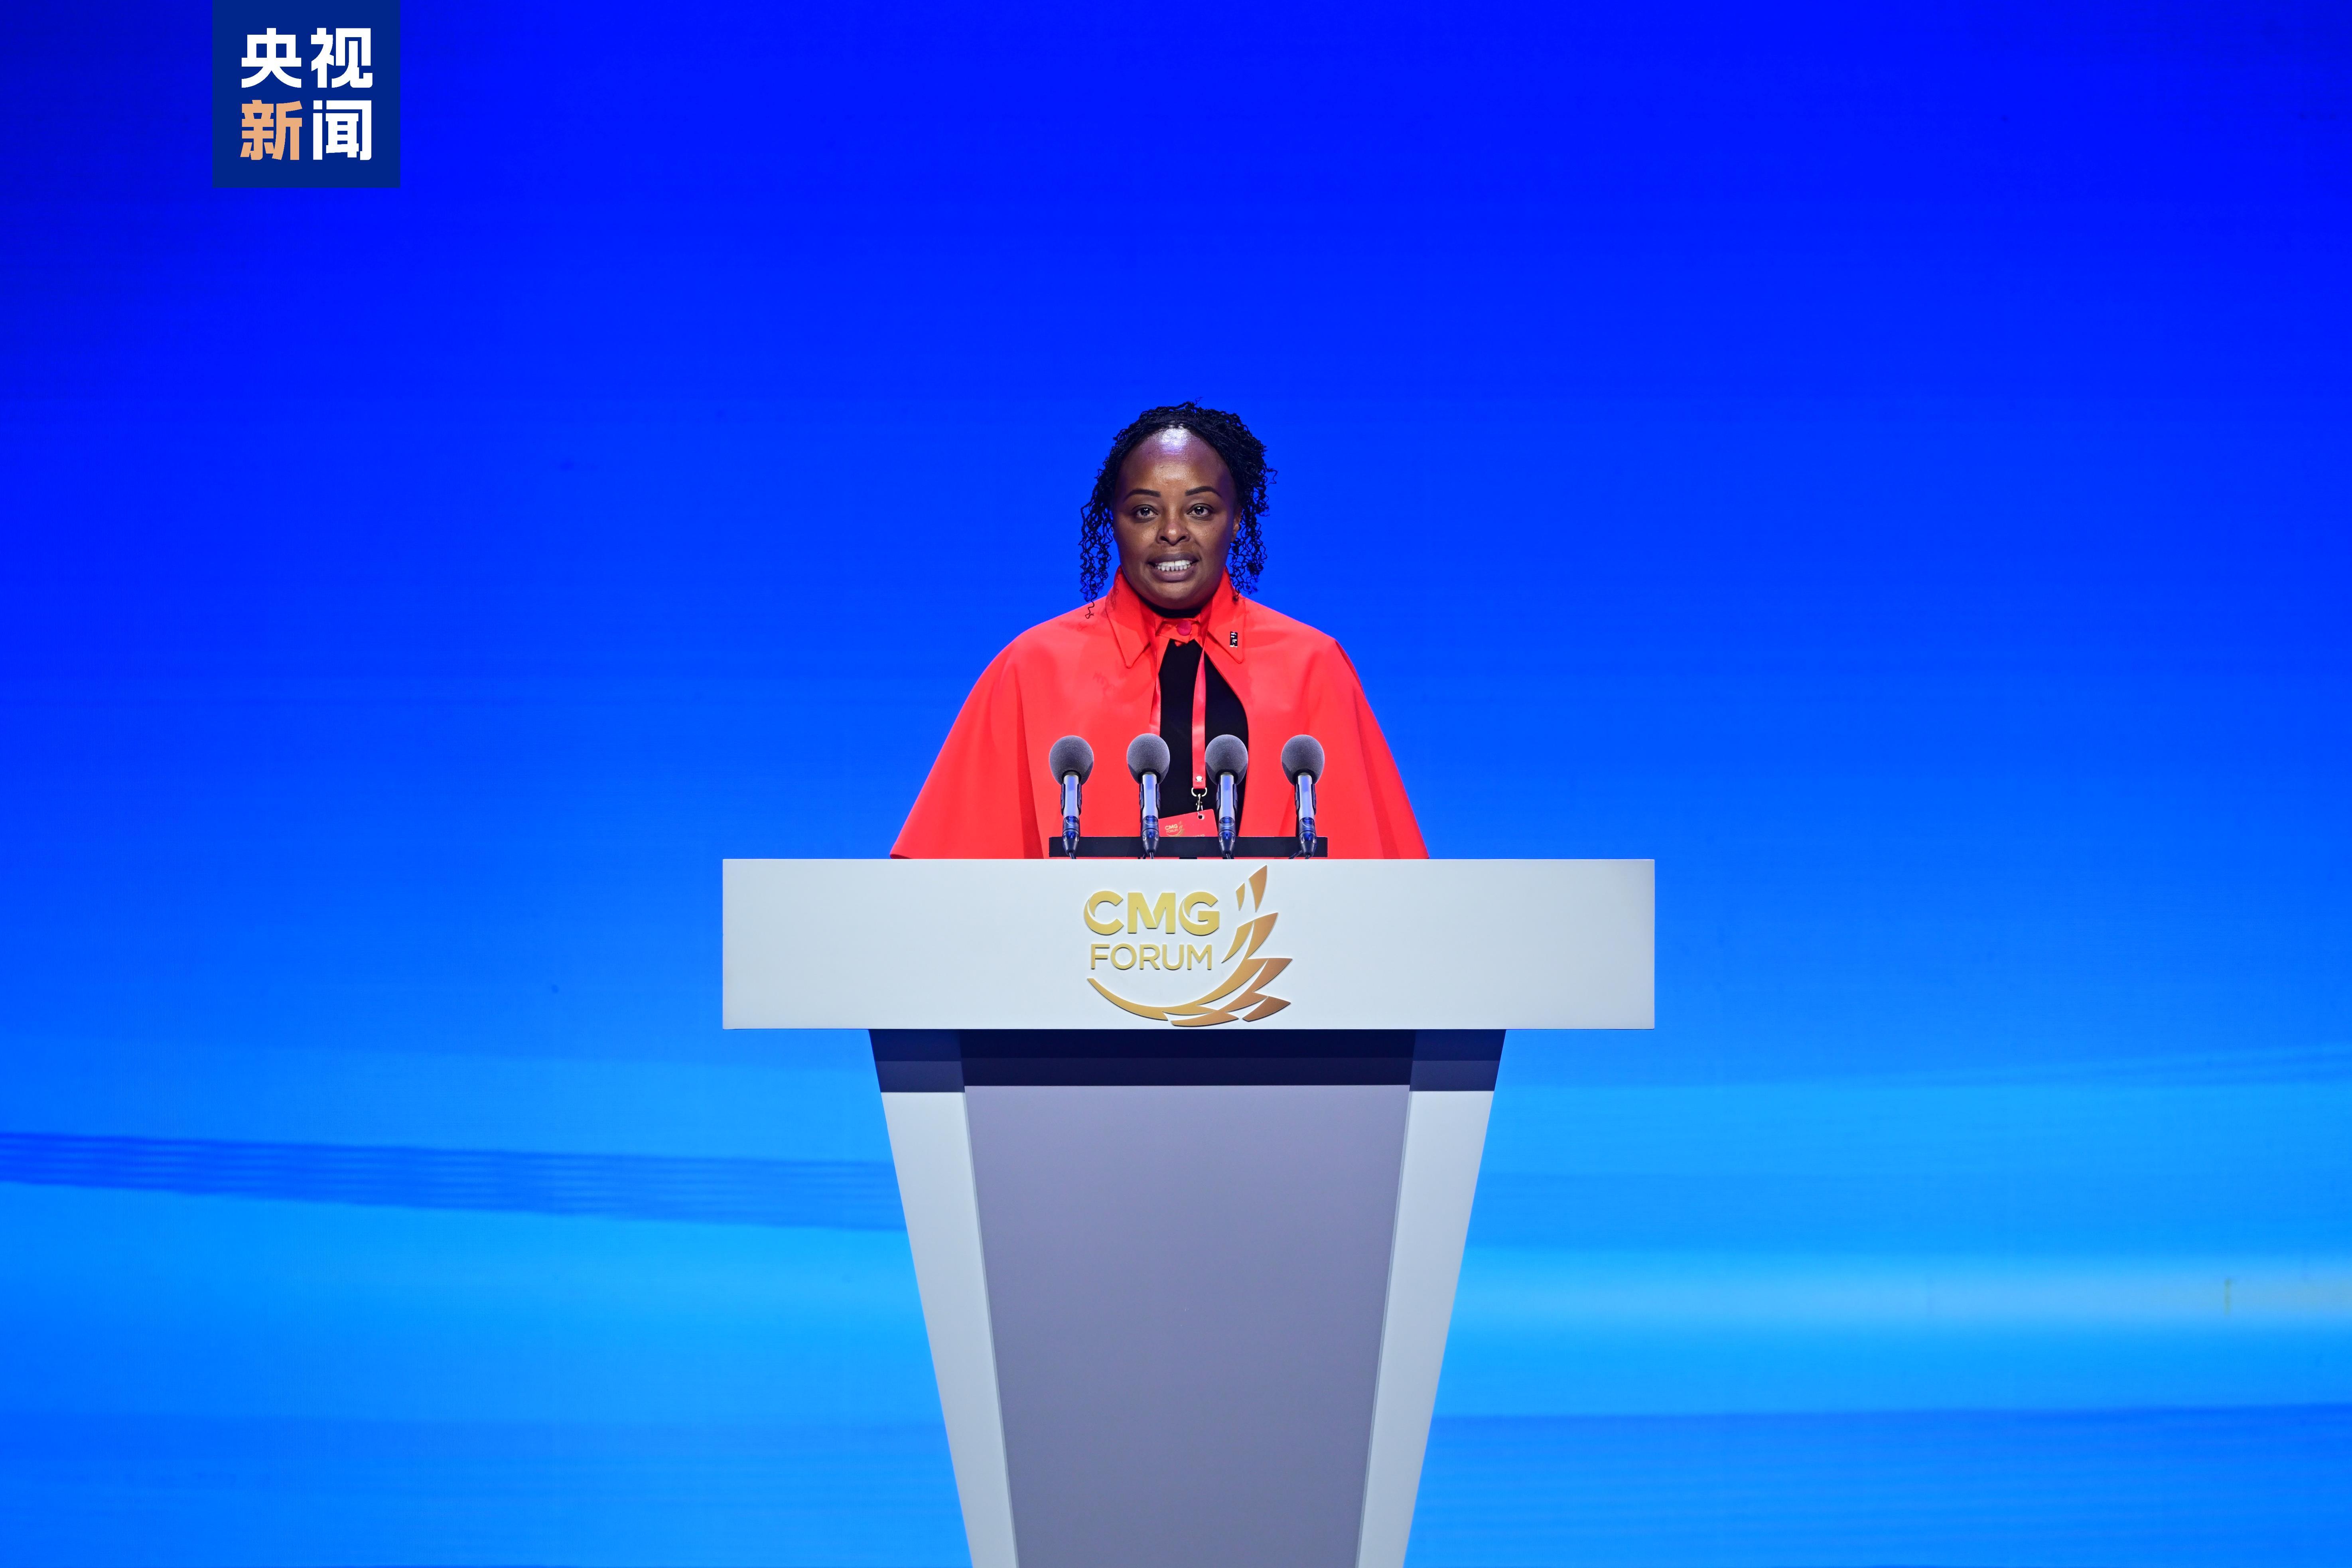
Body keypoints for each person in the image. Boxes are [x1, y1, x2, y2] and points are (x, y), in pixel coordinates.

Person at [892, 403, 1426, 858]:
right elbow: (943, 882)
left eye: (1200, 509)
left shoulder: (1312, 663)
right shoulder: (1032, 665)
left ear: (1237, 519)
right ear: (1113, 520)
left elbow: (1380, 883)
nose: (1172, 531)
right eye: (1145, 511)